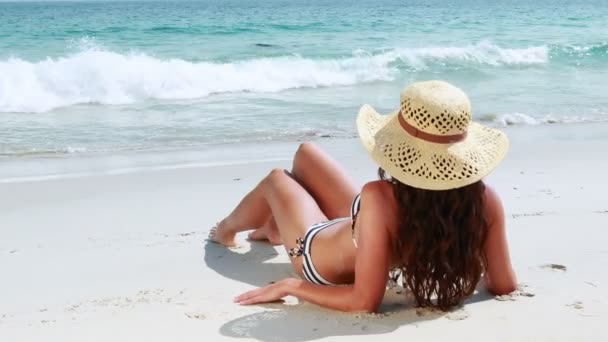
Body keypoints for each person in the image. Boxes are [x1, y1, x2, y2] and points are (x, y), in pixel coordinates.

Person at [208, 80, 517, 312]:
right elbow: (503, 284)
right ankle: (273, 228)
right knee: (307, 153)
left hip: (317, 257)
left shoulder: (379, 197)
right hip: (364, 229)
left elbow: (362, 301)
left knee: (276, 180)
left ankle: (225, 231)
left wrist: (293, 286)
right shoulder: (485, 199)